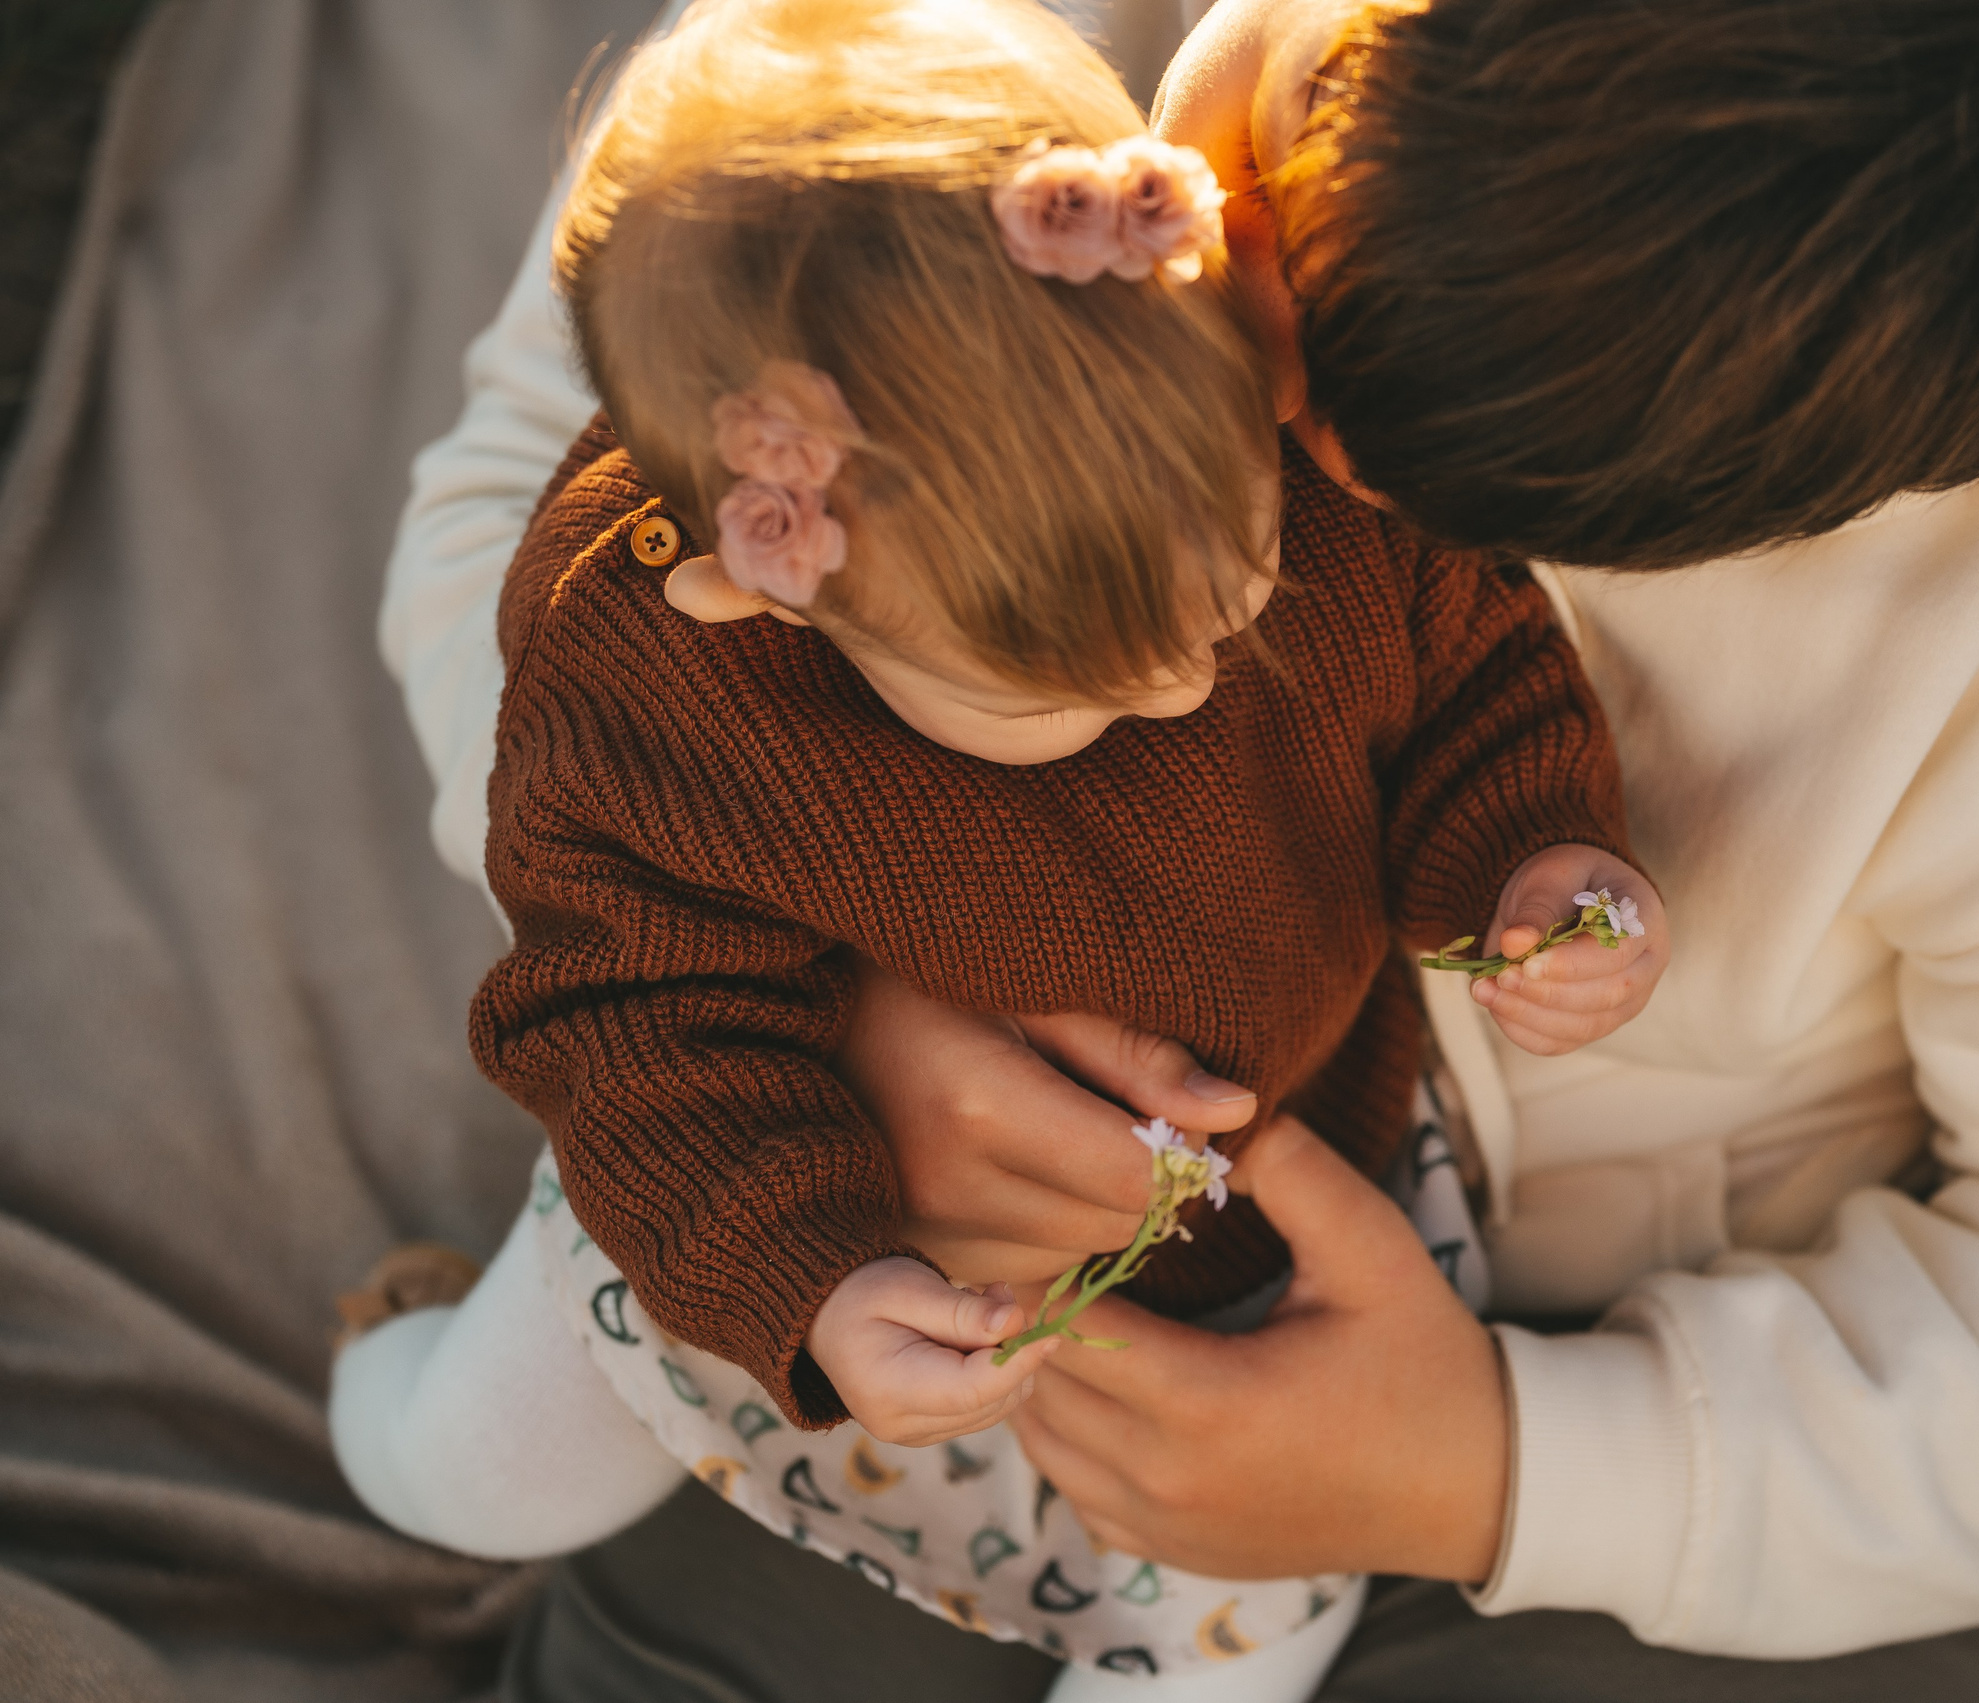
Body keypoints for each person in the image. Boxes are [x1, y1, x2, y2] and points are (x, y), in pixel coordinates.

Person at [378, 0, 1979, 1697]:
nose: (1260, 551)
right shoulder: (909, 82)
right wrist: (848, 1011)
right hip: (921, 1234)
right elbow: (538, 508)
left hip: (1660, 1372)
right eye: (1254, 258)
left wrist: (1499, 1471)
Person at [333, 2, 1656, 1699]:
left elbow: (1472, 668)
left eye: (1242, 554)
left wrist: (1535, 867)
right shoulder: (655, 684)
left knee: (1248, 1643)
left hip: (1242, 1227)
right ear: (788, 583)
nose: (1218, 651)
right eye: (1097, 681)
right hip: (785, 1176)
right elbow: (631, 1016)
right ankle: (385, 1367)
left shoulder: (1268, 471)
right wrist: (813, 1281)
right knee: (493, 1476)